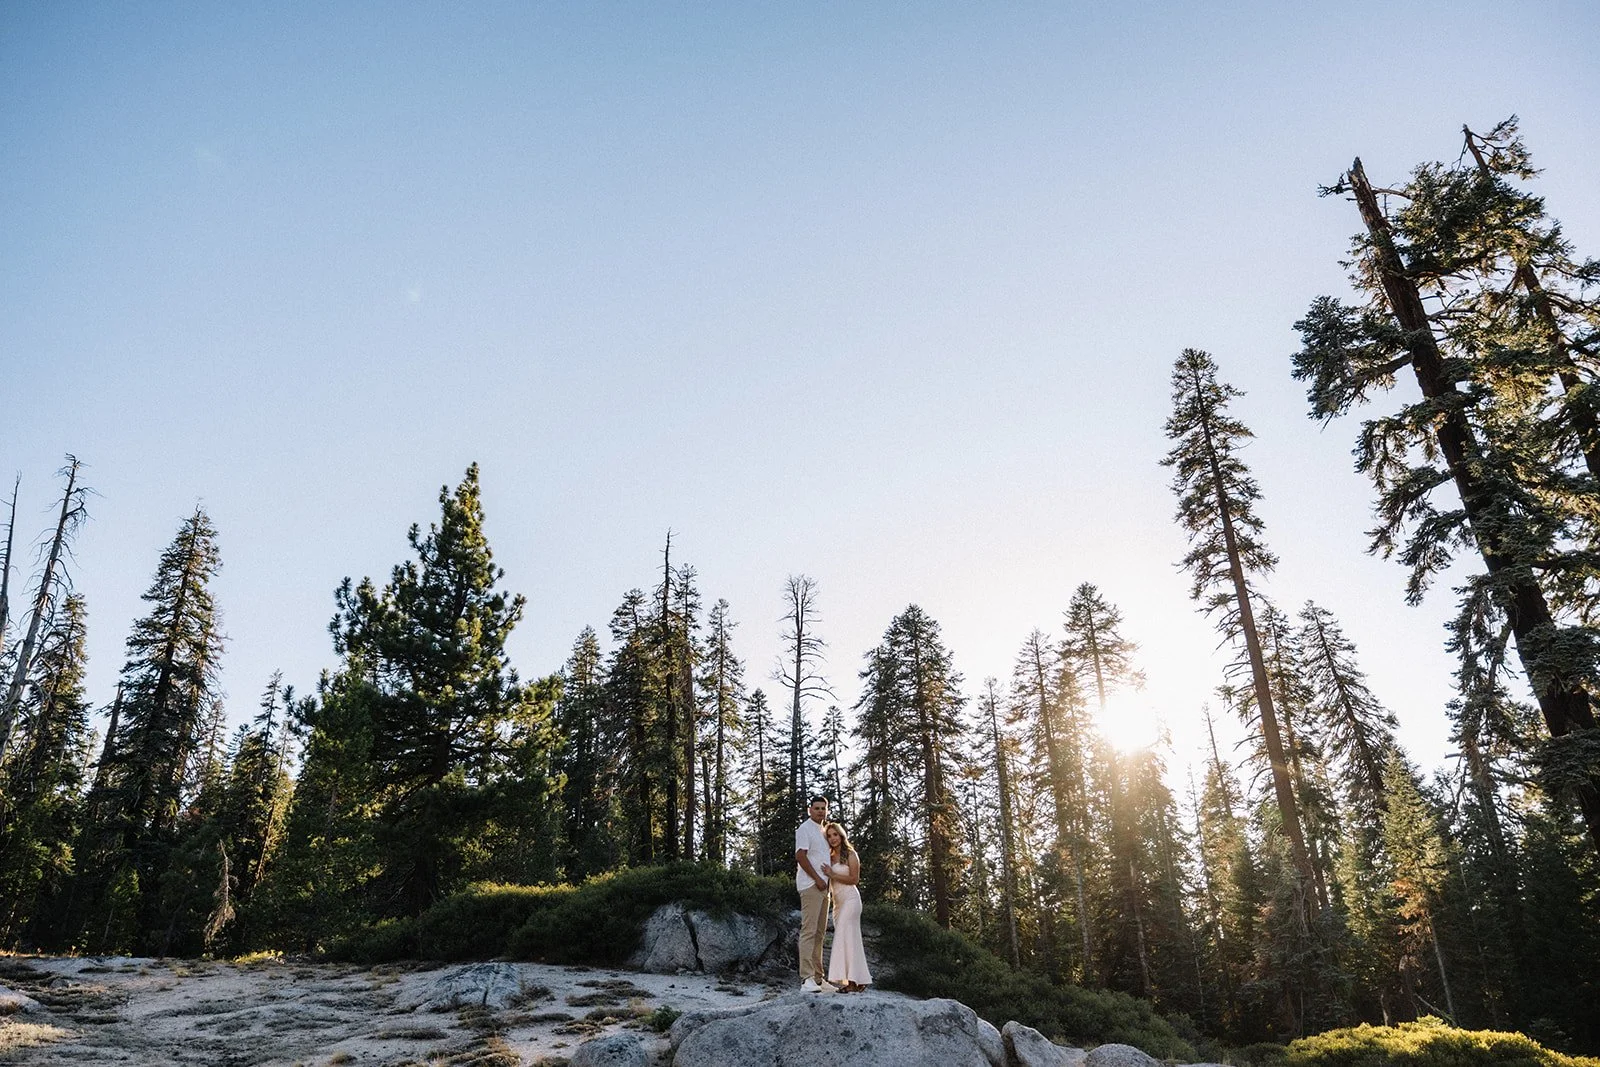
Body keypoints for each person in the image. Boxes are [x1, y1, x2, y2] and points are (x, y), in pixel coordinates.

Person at [794, 794, 836, 993]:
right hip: (811, 885)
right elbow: (800, 856)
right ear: (810, 809)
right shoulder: (805, 829)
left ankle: (819, 979)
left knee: (820, 934)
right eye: (816, 808)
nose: (820, 811)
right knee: (809, 931)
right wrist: (817, 879)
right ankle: (807, 978)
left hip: (824, 887)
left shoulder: (824, 831)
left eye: (823, 808)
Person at [824, 822, 871, 992]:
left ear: (841, 835)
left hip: (851, 900)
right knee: (848, 939)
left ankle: (853, 982)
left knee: (847, 937)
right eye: (829, 836)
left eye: (835, 834)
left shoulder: (851, 855)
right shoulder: (828, 857)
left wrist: (833, 874)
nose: (832, 838)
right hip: (837, 903)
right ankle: (857, 982)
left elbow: (854, 879)